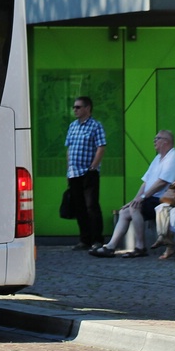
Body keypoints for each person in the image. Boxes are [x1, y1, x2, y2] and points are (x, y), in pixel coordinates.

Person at [91, 129, 175, 258]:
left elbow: (162, 183)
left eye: (157, 138)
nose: (154, 141)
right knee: (125, 211)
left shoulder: (173, 157)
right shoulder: (158, 158)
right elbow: (145, 182)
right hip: (154, 198)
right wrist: (136, 198)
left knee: (135, 208)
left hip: (167, 199)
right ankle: (111, 246)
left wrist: (141, 198)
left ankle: (140, 247)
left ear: (166, 142)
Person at [65, 96, 107, 250]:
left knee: (91, 206)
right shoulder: (72, 126)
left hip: (88, 173)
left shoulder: (96, 126)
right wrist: (68, 170)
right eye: (74, 107)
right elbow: (69, 148)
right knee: (79, 207)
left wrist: (93, 167)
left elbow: (101, 147)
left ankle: (97, 240)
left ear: (87, 108)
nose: (75, 110)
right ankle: (85, 239)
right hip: (74, 173)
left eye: (78, 107)